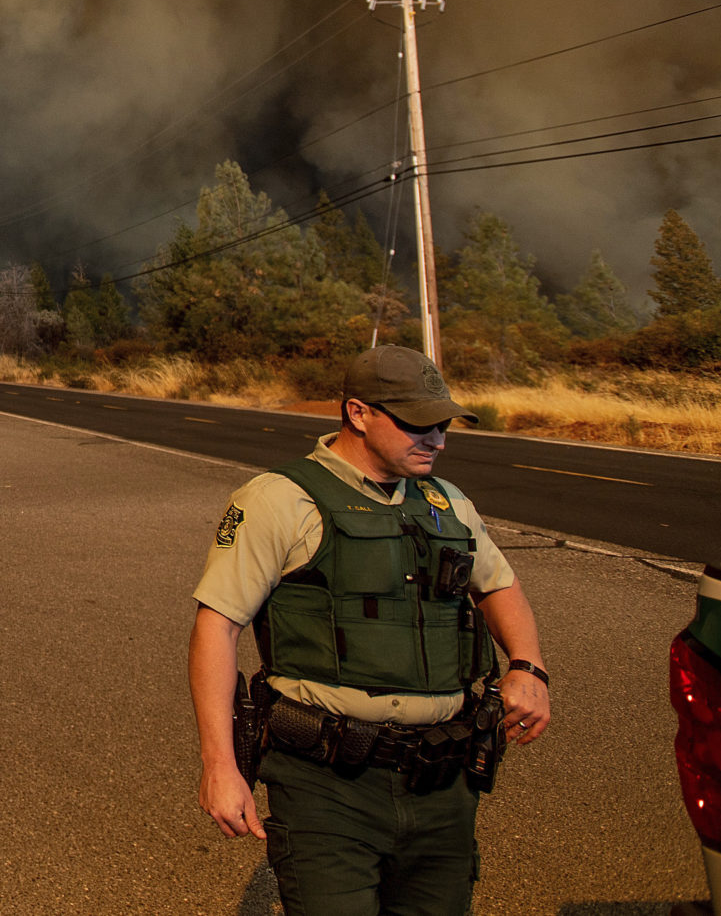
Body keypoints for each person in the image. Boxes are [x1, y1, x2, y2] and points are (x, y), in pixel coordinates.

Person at [188, 345, 552, 916]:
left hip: (442, 781)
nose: (436, 439)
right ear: (358, 413)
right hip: (328, 783)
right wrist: (220, 766)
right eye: (418, 424)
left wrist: (528, 666)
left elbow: (499, 586)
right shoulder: (280, 500)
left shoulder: (448, 502)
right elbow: (217, 627)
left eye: (443, 425)